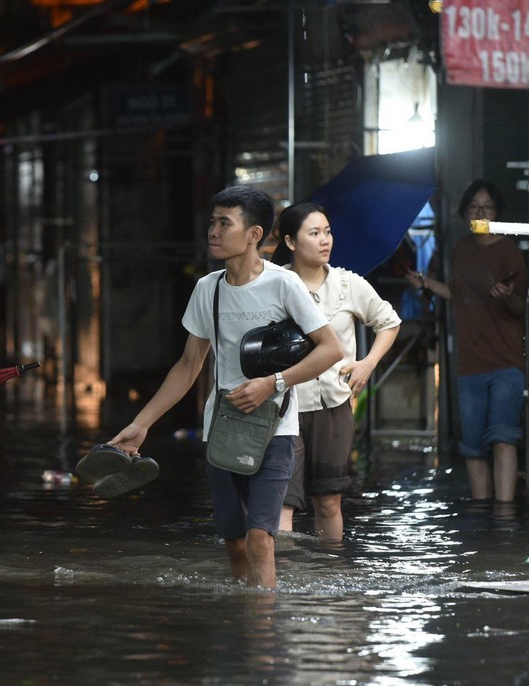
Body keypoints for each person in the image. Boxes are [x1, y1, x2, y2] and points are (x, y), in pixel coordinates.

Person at [104, 186, 343, 589]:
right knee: (234, 541)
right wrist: (142, 424)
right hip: (222, 429)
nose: (212, 230)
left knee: (260, 540)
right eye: (212, 221)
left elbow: (330, 349)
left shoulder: (283, 284)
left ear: (254, 234)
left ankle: (262, 641)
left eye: (224, 223)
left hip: (275, 429)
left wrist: (274, 383)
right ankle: (243, 617)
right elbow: (188, 365)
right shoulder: (207, 288)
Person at [271, 202, 401, 540]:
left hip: (333, 406)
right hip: (284, 407)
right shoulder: (275, 285)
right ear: (290, 242)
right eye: (314, 233)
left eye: (327, 232)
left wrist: (367, 364)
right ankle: (282, 583)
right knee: (281, 503)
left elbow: (389, 322)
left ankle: (327, 577)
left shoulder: (348, 284)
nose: (325, 240)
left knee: (328, 501)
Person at [406, 180, 527, 502]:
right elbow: (459, 296)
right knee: (472, 448)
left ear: (497, 212)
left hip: (506, 362)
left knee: (503, 440)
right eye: (474, 206)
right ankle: (482, 513)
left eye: (487, 207)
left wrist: (507, 296)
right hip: (470, 365)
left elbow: (520, 308)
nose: (480, 212)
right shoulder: (461, 249)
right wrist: (427, 283)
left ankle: (504, 515)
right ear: (465, 212)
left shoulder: (509, 251)